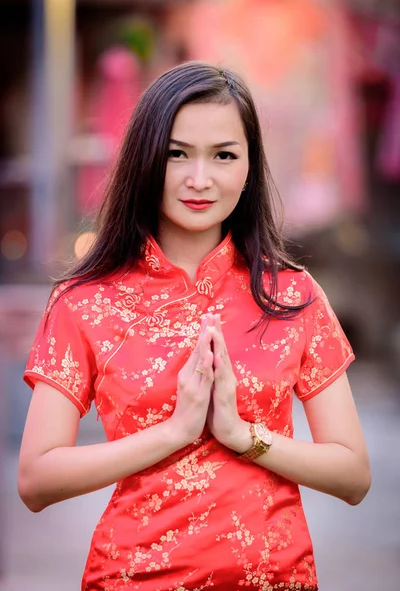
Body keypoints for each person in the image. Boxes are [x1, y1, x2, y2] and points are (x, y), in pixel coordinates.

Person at [18, 61, 371, 591]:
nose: (199, 179)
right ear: (144, 160)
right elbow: (35, 479)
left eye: (224, 155)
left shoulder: (292, 295)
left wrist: (240, 435)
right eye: (176, 153)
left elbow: (353, 475)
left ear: (249, 166)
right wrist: (175, 432)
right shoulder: (85, 302)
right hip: (134, 578)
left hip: (276, 578)